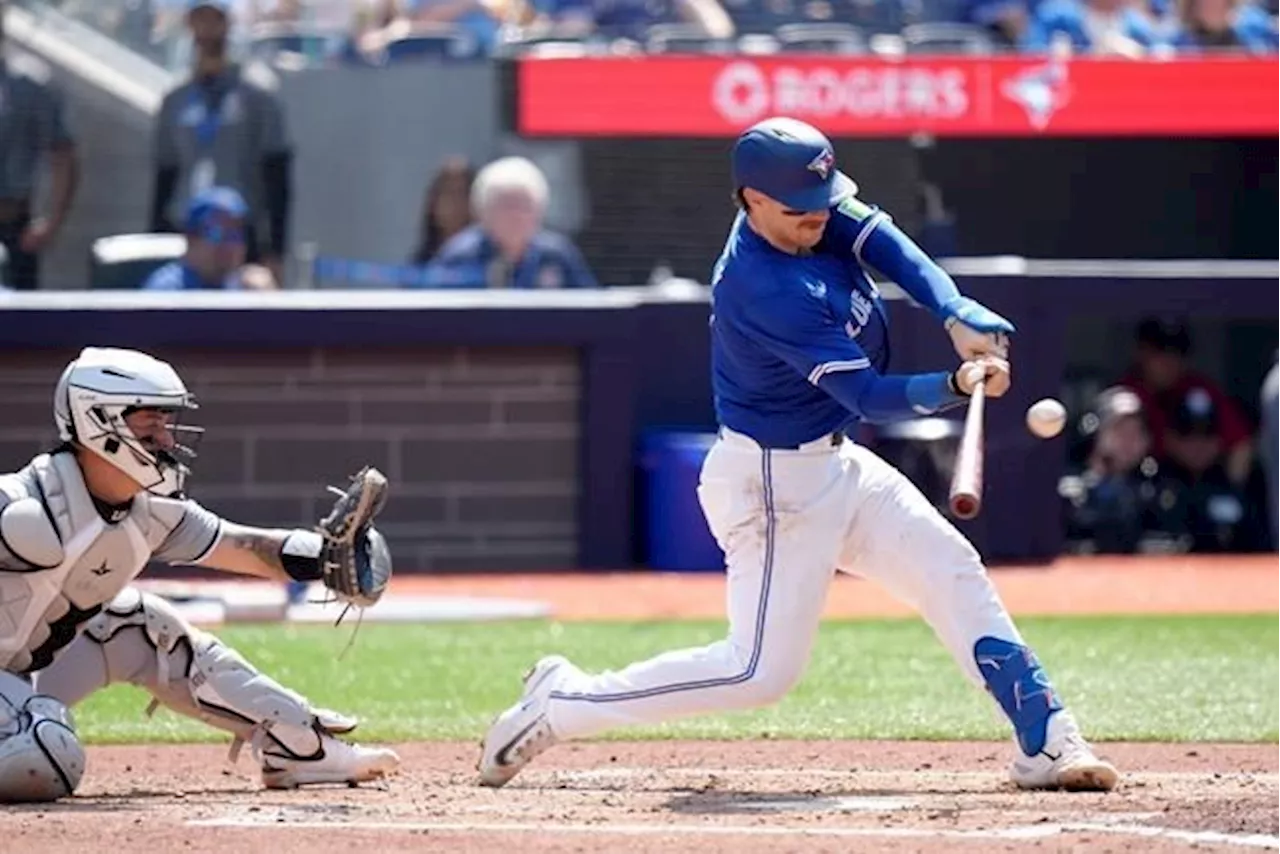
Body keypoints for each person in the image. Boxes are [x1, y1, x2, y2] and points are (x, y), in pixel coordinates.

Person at [477, 116, 1119, 793]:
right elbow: (869, 397)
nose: (821, 217)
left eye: (824, 201)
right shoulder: (762, 288)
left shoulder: (803, 209)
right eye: (801, 209)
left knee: (950, 567)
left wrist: (954, 309)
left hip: (837, 465)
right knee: (758, 672)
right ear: (752, 201)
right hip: (773, 486)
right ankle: (563, 701)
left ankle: (1047, 740)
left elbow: (888, 244)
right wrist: (957, 384)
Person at [0, 347, 400, 802]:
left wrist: (328, 559)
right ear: (99, 423)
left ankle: (300, 747)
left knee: (141, 625)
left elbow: (246, 547)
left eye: (165, 425)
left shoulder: (152, 512)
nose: (166, 441)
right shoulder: (19, 506)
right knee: (46, 754)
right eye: (150, 425)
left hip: (22, 676)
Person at [151, 0, 293, 282]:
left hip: (238, 234)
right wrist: (154, 236)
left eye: (214, 19)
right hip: (185, 230)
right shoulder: (176, 98)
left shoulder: (257, 94)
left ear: (228, 23)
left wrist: (275, 249)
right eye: (199, 19)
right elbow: (165, 174)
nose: (206, 29)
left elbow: (277, 174)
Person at [422, 156, 598, 290]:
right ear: (483, 212)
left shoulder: (557, 255)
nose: (516, 215)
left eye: (524, 206)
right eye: (506, 206)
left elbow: (591, 309)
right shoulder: (460, 256)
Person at [0, 4, 81, 290]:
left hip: (12, 224)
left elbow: (62, 155)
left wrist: (51, 221)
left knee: (17, 327)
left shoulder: (30, 84)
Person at [142, 186, 278, 290]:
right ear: (191, 240)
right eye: (216, 234)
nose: (228, 245)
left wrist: (266, 302)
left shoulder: (244, 289)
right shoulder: (166, 290)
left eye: (235, 236)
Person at [411, 157, 476, 265]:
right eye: (449, 193)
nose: (456, 202)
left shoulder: (492, 263)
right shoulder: (421, 263)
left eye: (462, 193)